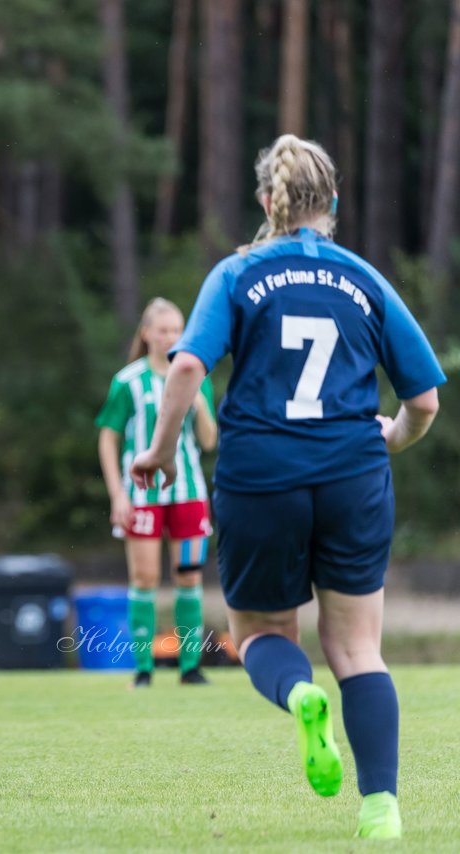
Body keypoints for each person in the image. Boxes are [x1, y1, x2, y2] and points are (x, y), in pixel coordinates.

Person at [131, 135, 443, 840]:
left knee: (260, 634)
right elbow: (421, 402)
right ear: (332, 203)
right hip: (352, 474)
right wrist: (389, 440)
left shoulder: (239, 272)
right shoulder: (365, 277)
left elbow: (185, 371)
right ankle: (381, 809)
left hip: (260, 475)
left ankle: (300, 692)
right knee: (360, 648)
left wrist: (156, 450)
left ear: (267, 202)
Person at [97, 298, 218, 689]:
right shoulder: (128, 381)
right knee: (145, 578)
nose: (170, 337)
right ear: (147, 333)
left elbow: (209, 441)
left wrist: (197, 402)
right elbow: (108, 438)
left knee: (188, 577)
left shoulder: (197, 376)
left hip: (187, 493)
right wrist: (118, 494)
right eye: (163, 330)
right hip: (142, 494)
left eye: (176, 330)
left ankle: (190, 667)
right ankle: (143, 668)